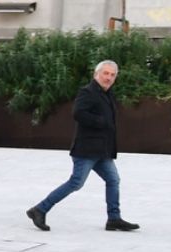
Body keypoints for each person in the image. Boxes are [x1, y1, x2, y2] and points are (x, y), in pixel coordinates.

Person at [27, 59, 135, 233]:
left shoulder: (108, 94)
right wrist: (101, 122)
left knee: (113, 180)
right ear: (96, 74)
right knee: (76, 183)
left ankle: (114, 219)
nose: (108, 77)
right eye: (105, 73)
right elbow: (78, 113)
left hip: (102, 150)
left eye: (112, 75)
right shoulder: (88, 92)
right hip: (86, 149)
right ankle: (39, 209)